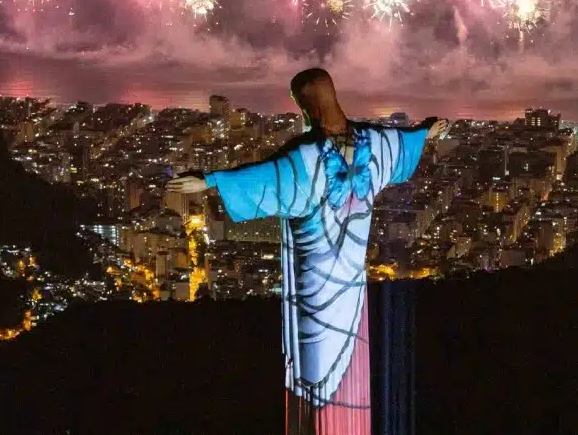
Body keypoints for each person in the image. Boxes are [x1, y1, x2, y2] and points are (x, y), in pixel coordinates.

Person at [167, 68, 447, 434]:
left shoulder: (305, 158)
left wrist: (209, 180)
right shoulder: (375, 144)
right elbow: (404, 142)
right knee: (352, 373)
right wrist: (426, 132)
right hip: (353, 294)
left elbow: (262, 176)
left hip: (314, 296)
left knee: (314, 381)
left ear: (304, 107)